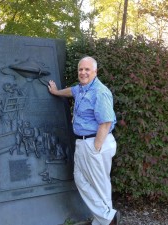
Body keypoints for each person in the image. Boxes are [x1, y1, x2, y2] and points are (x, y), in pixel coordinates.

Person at [48, 56, 120, 225]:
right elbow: (71, 91)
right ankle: (106, 217)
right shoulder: (82, 88)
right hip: (83, 142)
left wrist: (96, 148)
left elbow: (106, 121)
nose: (83, 72)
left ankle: (105, 220)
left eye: (87, 69)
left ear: (95, 71)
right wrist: (56, 92)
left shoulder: (100, 91)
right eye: (81, 69)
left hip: (96, 142)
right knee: (80, 179)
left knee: (99, 184)